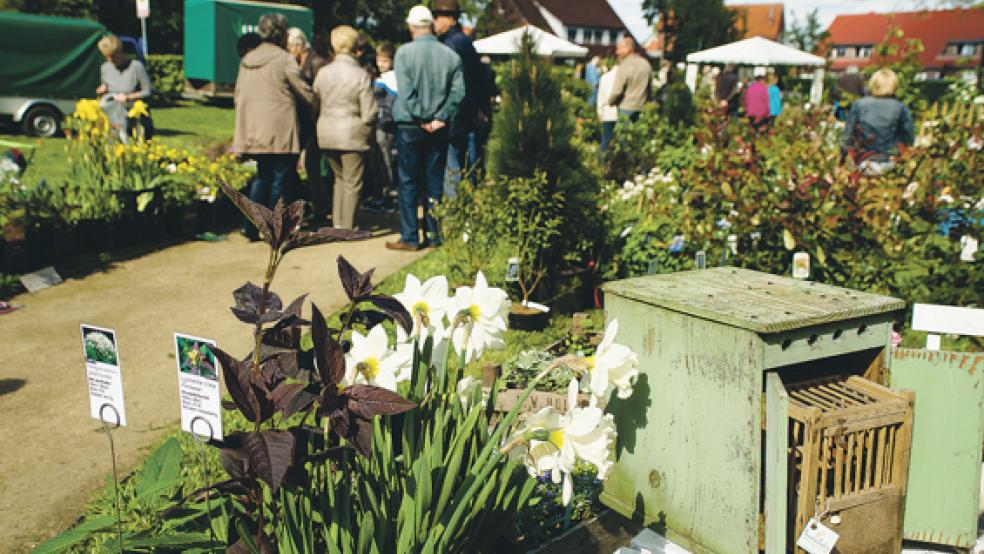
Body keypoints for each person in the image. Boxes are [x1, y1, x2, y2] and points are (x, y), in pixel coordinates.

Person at [387, 4, 465, 251]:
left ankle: (410, 237)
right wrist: (439, 117)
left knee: (408, 182)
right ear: (430, 26)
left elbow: (407, 92)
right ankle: (433, 235)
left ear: (411, 27)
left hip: (410, 125)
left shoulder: (403, 54)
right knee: (434, 183)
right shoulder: (450, 56)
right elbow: (458, 92)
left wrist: (422, 117)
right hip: (439, 126)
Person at [233, 13, 317, 240]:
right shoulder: (283, 59)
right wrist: (318, 103)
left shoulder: (247, 59)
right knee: (282, 178)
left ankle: (250, 226)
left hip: (254, 130)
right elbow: (303, 91)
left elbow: (238, 94)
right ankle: (271, 229)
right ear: (282, 32)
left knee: (263, 176)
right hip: (280, 129)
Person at [313, 25, 378, 230]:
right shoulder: (360, 74)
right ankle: (348, 227)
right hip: (351, 132)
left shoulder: (323, 72)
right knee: (352, 182)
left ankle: (338, 223)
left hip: (326, 132)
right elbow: (369, 110)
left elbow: (314, 102)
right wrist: (367, 130)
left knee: (338, 180)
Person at [433, 0, 487, 198]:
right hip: (468, 113)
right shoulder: (464, 41)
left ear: (451, 20)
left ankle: (453, 213)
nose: (434, 22)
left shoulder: (450, 45)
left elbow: (458, 84)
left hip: (456, 115)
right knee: (469, 166)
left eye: (438, 17)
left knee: (452, 167)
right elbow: (477, 80)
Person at [287, 27, 330, 225]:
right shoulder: (301, 61)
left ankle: (321, 209)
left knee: (313, 166)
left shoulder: (316, 63)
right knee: (308, 167)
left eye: (289, 47)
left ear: (298, 45)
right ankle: (315, 206)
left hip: (315, 123)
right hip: (305, 123)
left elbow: (320, 95)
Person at [839, 68, 914, 175]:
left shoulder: (859, 105)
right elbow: (908, 138)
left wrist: (845, 161)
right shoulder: (900, 107)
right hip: (890, 163)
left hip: (863, 163)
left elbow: (846, 139)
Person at [96, 34, 154, 141]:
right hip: (116, 121)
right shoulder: (105, 68)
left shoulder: (136, 66)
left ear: (120, 52)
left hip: (137, 122)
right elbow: (106, 85)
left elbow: (148, 91)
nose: (110, 60)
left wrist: (128, 97)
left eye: (113, 56)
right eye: (106, 57)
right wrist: (103, 88)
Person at [366, 42, 399, 213]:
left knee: (383, 161)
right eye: (379, 59)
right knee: (381, 161)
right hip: (385, 125)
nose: (381, 64)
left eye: (385, 61)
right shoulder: (391, 78)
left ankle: (385, 198)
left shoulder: (388, 80)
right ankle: (382, 195)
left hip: (383, 126)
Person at [608, 37, 651, 123]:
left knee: (624, 135)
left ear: (627, 49)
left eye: (619, 49)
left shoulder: (624, 65)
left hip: (626, 108)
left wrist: (610, 102)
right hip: (641, 108)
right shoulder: (646, 64)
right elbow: (649, 89)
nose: (617, 52)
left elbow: (617, 91)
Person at [597, 63, 619, 152]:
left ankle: (601, 161)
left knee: (606, 139)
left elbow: (600, 96)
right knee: (622, 140)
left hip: (607, 111)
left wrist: (599, 112)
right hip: (619, 111)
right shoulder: (622, 77)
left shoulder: (604, 77)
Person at [744, 66, 770, 130]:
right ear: (762, 79)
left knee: (752, 131)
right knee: (761, 133)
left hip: (751, 114)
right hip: (761, 114)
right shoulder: (764, 89)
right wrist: (768, 113)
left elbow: (746, 101)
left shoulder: (750, 88)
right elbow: (767, 103)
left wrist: (747, 111)